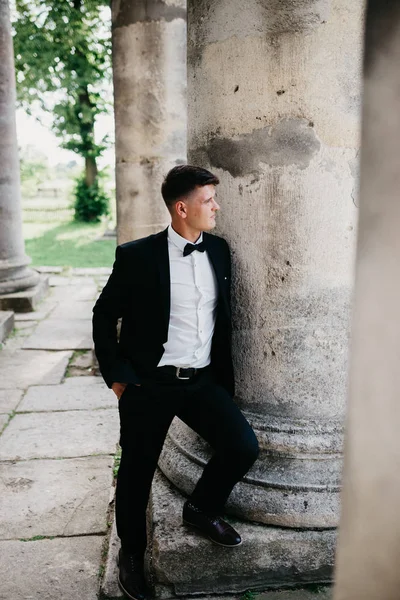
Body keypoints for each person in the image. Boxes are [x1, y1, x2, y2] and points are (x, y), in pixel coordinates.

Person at [92, 165, 259, 600]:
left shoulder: (219, 251)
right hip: (148, 385)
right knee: (137, 471)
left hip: (201, 381)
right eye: (208, 200)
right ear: (182, 208)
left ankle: (201, 508)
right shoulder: (137, 256)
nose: (217, 206)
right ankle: (132, 554)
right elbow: (104, 314)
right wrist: (117, 376)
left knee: (243, 446)